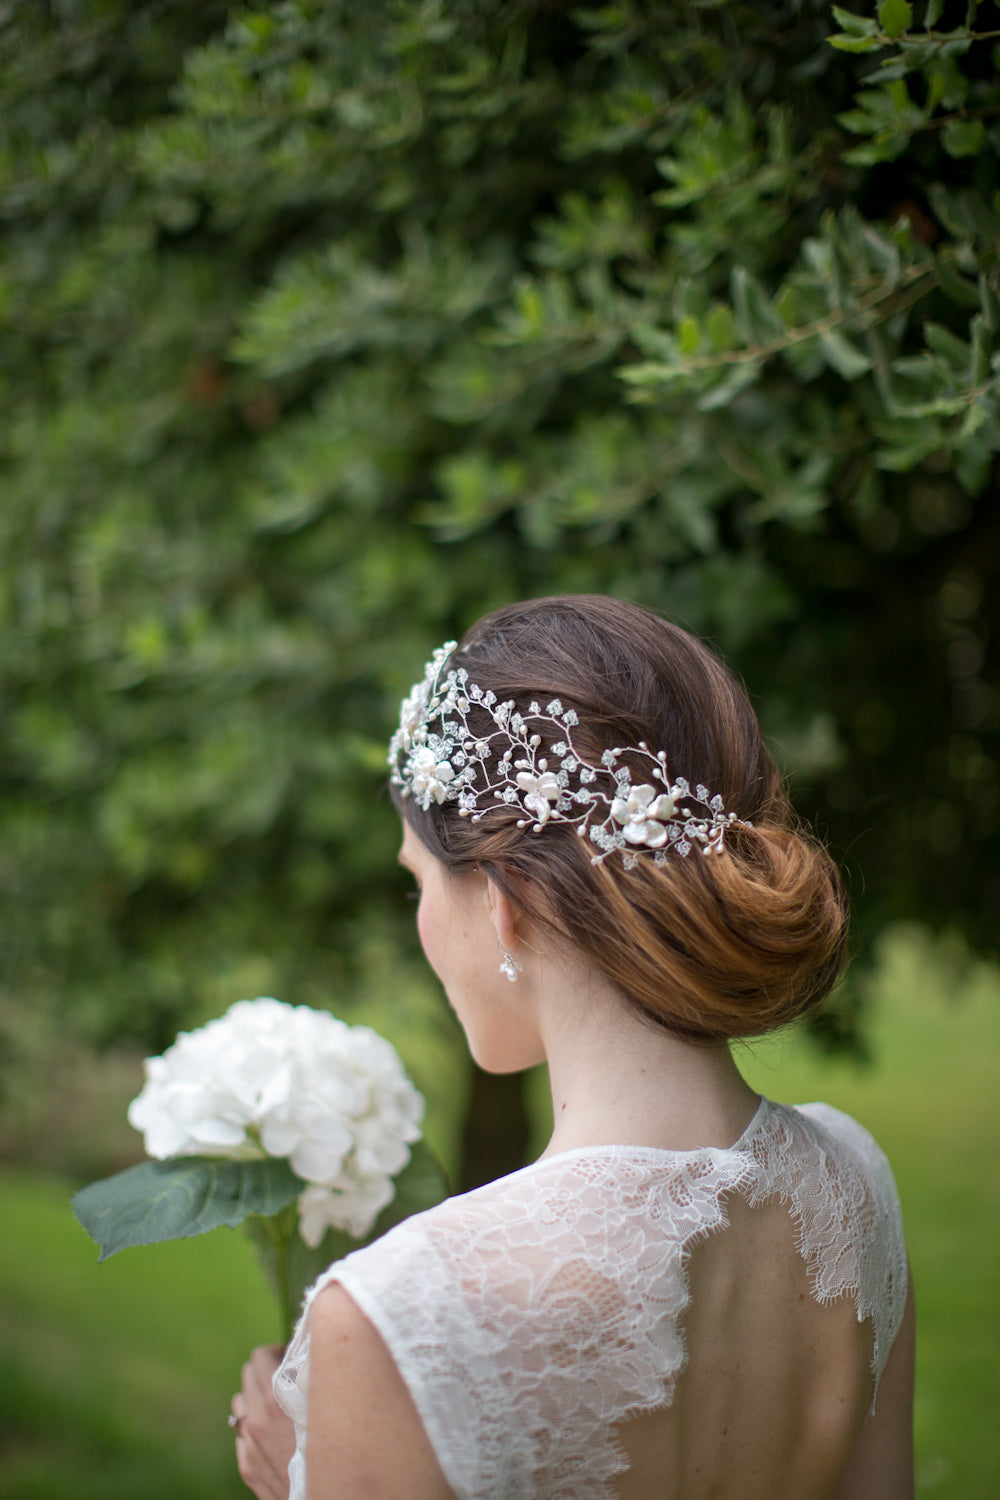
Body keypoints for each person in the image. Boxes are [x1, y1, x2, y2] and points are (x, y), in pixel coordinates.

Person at [230, 595, 914, 1500]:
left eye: (418, 885)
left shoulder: (405, 1314)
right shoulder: (853, 1187)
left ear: (506, 900)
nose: (421, 926)